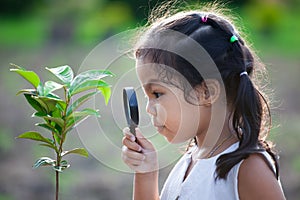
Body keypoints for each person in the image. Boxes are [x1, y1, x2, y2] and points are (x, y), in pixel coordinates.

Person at [121, 3, 286, 200]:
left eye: (157, 94)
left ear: (207, 92)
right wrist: (146, 173)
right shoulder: (191, 160)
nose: (149, 109)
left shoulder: (248, 169)